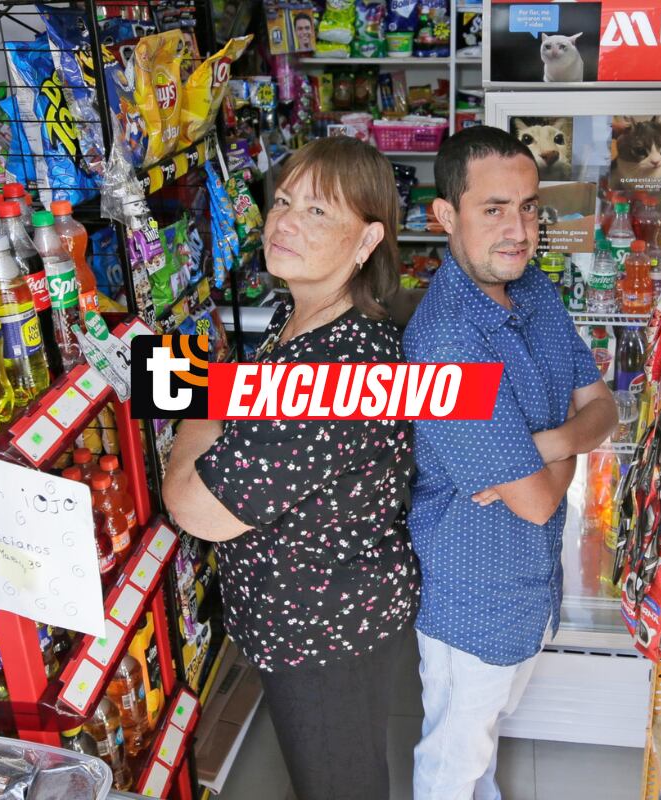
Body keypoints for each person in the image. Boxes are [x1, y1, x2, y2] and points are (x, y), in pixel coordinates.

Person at [163, 136, 419, 800]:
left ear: (367, 241)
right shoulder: (298, 314)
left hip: (326, 633)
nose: (284, 222)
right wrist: (179, 377)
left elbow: (195, 508)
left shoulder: (338, 367)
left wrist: (198, 406)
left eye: (317, 211)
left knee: (339, 785)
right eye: (282, 201)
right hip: (321, 611)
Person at [403, 125, 618, 800]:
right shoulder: (447, 342)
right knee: (453, 761)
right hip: (473, 594)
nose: (519, 231)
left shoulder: (536, 292)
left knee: (482, 740)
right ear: (446, 216)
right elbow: (537, 501)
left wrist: (541, 448)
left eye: (528, 207)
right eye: (494, 209)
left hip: (530, 584)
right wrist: (558, 450)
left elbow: (605, 409)